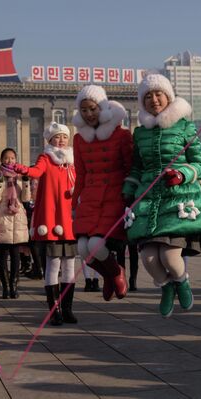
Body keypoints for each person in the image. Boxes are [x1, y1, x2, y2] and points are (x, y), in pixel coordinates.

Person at [122, 73, 201, 317]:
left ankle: (182, 281)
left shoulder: (185, 126)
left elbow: (200, 164)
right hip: (147, 198)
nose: (154, 100)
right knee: (148, 258)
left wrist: (182, 174)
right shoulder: (140, 132)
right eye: (148, 96)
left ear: (168, 97)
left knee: (170, 255)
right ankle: (166, 288)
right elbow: (137, 166)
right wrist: (129, 188)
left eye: (158, 94)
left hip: (177, 198)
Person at [7, 122, 78, 325]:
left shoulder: (73, 163)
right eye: (57, 137)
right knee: (54, 264)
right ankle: (54, 310)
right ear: (50, 140)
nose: (61, 140)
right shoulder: (46, 158)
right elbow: (36, 172)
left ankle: (67, 309)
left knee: (70, 265)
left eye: (64, 136)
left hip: (69, 219)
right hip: (53, 219)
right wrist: (19, 168)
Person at [72, 85, 133, 302]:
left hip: (113, 195)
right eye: (84, 110)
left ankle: (116, 273)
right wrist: (74, 205)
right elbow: (80, 174)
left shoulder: (122, 135)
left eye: (93, 108)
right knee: (82, 248)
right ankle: (109, 274)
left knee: (96, 245)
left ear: (103, 107)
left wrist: (129, 196)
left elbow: (130, 168)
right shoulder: (79, 140)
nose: (89, 114)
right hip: (90, 197)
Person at [0, 148, 31, 299]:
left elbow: (26, 199)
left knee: (15, 254)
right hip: (3, 217)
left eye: (12, 158)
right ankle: (5, 287)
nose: (9, 160)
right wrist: (0, 182)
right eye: (6, 158)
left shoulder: (20, 176)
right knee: (2, 253)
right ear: (1, 160)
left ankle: (14, 286)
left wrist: (26, 182)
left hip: (17, 217)